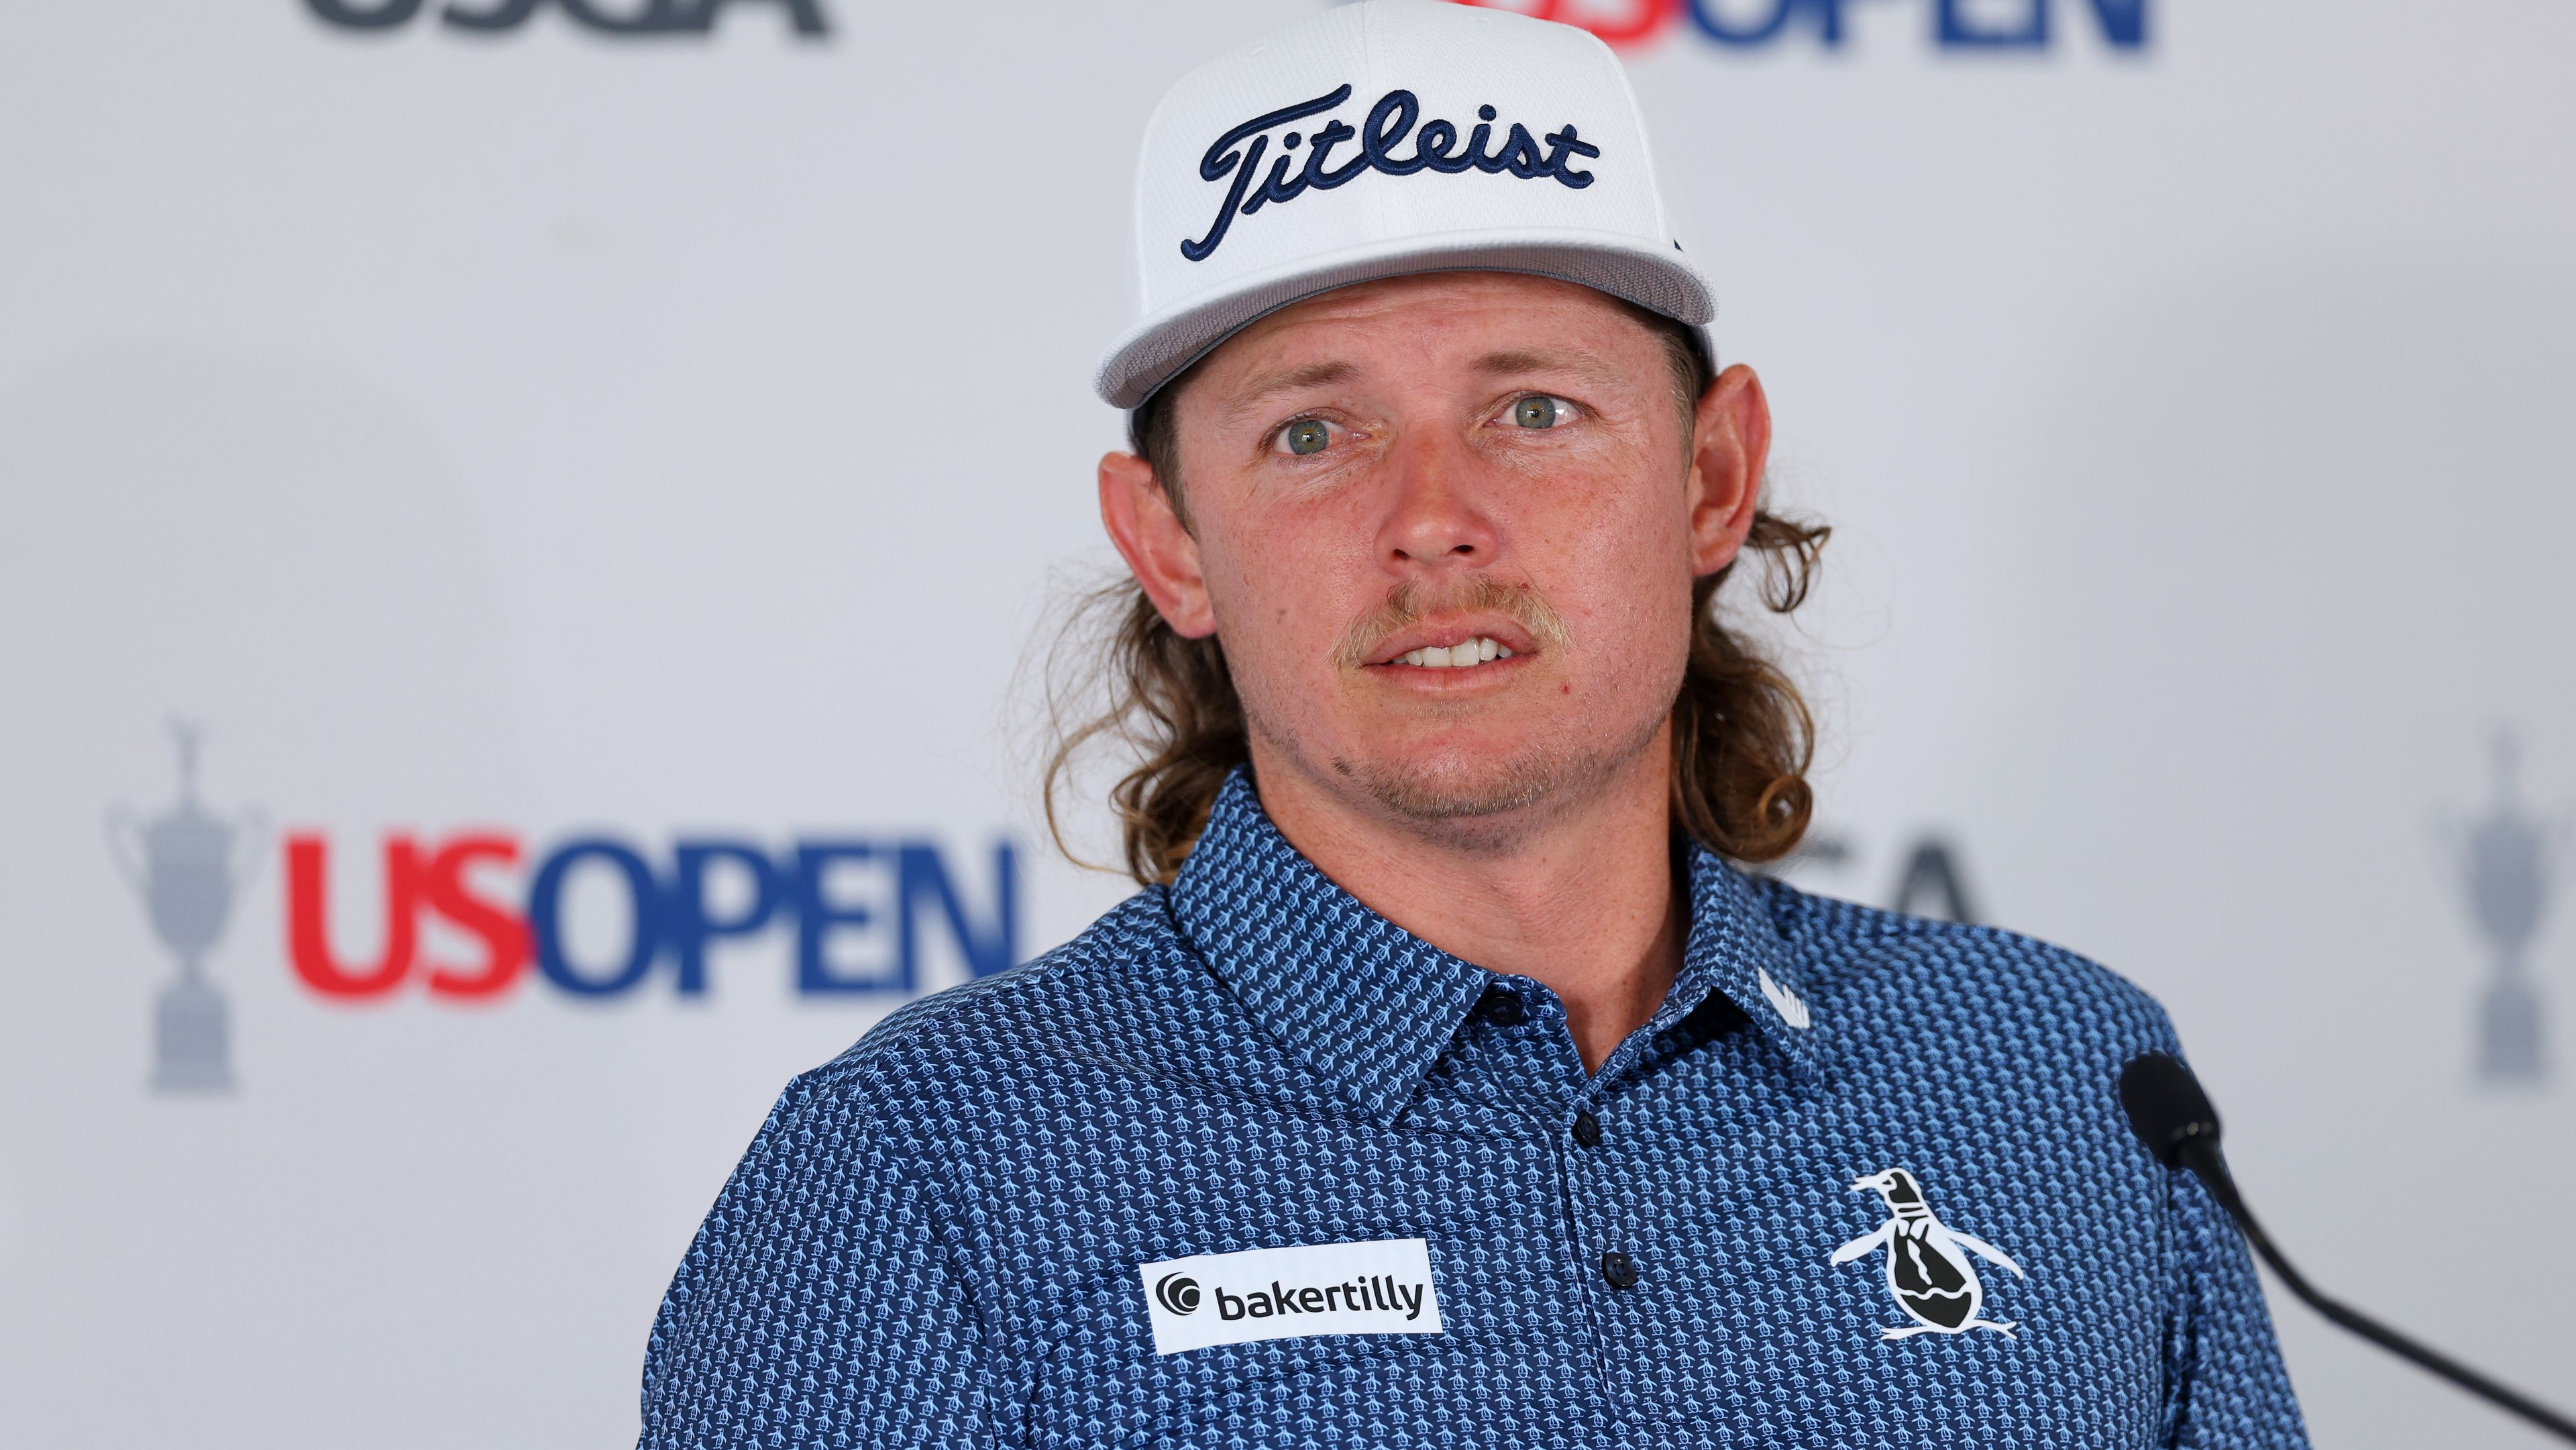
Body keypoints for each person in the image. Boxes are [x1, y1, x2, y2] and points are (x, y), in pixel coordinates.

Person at [637, 3, 2308, 1445]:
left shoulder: (2061, 1075)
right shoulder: (923, 1175)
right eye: (1312, 434)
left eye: (1534, 408)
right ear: (1168, 544)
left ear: (1713, 476)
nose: (1434, 520)